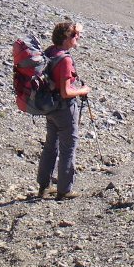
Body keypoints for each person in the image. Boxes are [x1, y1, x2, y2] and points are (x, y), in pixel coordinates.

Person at [37, 20, 91, 201]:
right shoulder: (65, 59)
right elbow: (66, 91)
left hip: (50, 108)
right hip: (64, 109)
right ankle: (64, 190)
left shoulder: (49, 52)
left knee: (51, 145)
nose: (78, 38)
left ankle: (44, 187)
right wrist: (82, 91)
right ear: (66, 38)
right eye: (75, 35)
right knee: (68, 147)